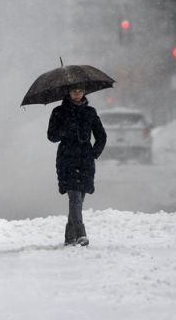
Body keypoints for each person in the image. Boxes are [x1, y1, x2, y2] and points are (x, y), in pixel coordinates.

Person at [47, 83, 106, 246]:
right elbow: (51, 136)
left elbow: (101, 136)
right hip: (67, 158)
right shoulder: (59, 112)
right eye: (74, 91)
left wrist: (94, 153)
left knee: (80, 197)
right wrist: (65, 128)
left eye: (80, 90)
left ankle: (69, 236)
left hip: (85, 159)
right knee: (74, 195)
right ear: (68, 92)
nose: (77, 94)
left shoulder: (90, 112)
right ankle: (81, 233)